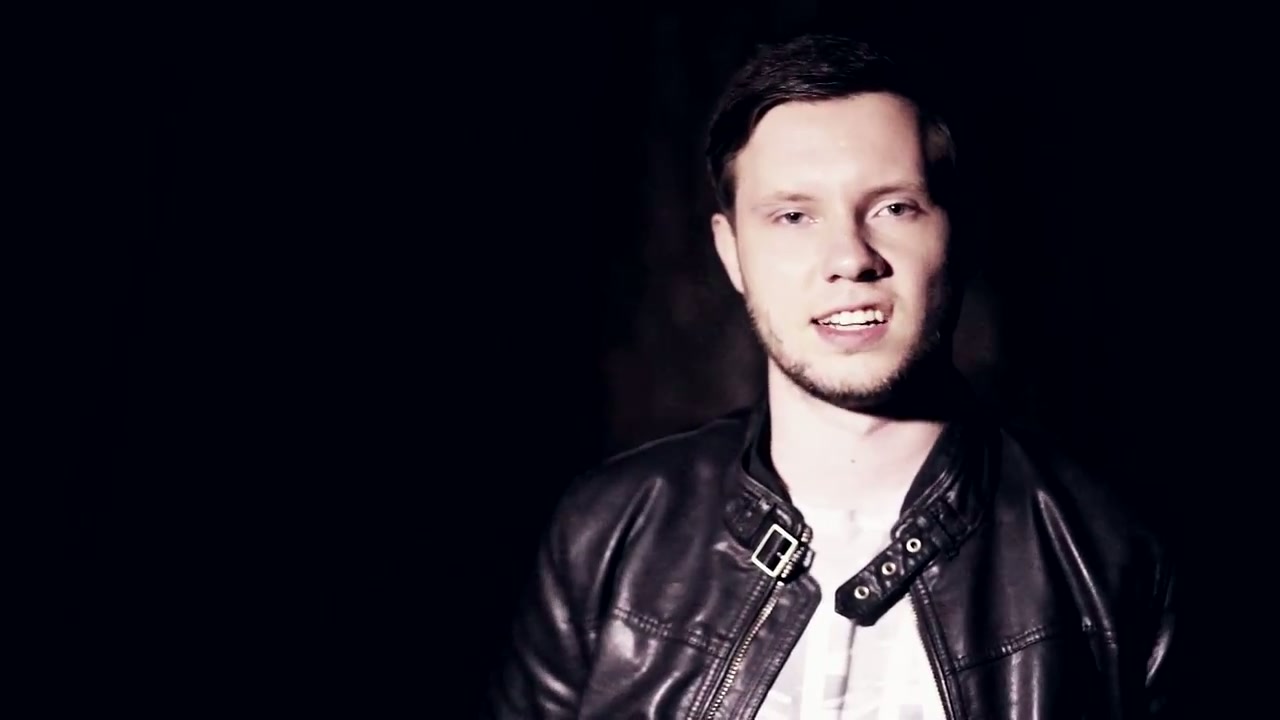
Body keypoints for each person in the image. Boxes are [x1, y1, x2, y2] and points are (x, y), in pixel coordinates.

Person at [485, 33, 1177, 719]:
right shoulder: (606, 530)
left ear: (957, 234)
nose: (849, 258)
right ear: (732, 253)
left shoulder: (1114, 554)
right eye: (794, 216)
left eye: (894, 208)